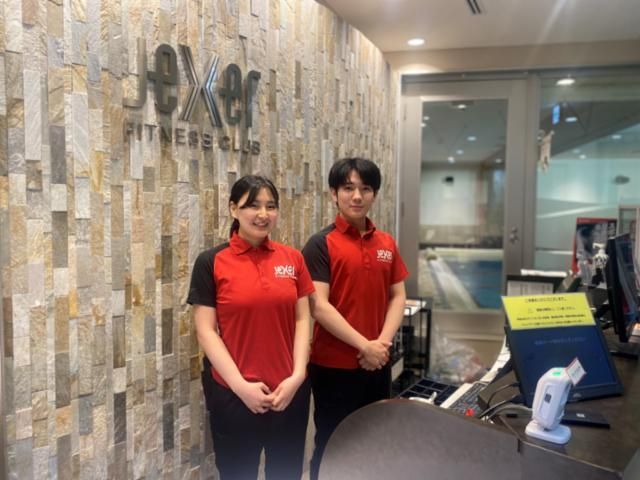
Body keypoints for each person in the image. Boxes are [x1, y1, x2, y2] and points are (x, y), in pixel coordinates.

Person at [187, 175, 314, 480]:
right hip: (234, 394)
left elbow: (302, 319)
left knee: (286, 474)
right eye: (253, 205)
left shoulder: (292, 259)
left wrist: (297, 376)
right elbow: (206, 330)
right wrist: (240, 386)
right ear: (234, 209)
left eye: (271, 206)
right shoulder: (211, 262)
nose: (263, 214)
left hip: (289, 392)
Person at [302, 158, 409, 480]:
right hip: (333, 366)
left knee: (374, 441)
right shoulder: (320, 244)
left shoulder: (386, 243)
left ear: (375, 193)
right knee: (333, 443)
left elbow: (398, 296)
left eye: (365, 188)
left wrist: (381, 345)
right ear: (334, 193)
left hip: (377, 363)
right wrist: (365, 346)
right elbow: (319, 306)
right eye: (348, 188)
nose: (357, 196)